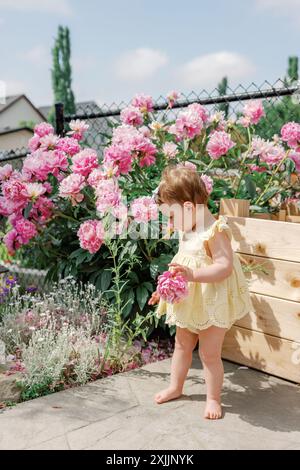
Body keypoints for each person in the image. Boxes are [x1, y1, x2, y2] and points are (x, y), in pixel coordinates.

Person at [148, 164, 253, 419]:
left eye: (171, 217)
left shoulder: (214, 232)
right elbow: (182, 263)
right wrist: (164, 289)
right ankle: (176, 386)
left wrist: (193, 275)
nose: (170, 223)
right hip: (190, 302)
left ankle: (213, 399)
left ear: (187, 207)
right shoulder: (188, 229)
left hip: (213, 303)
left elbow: (224, 267)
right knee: (182, 344)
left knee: (209, 353)